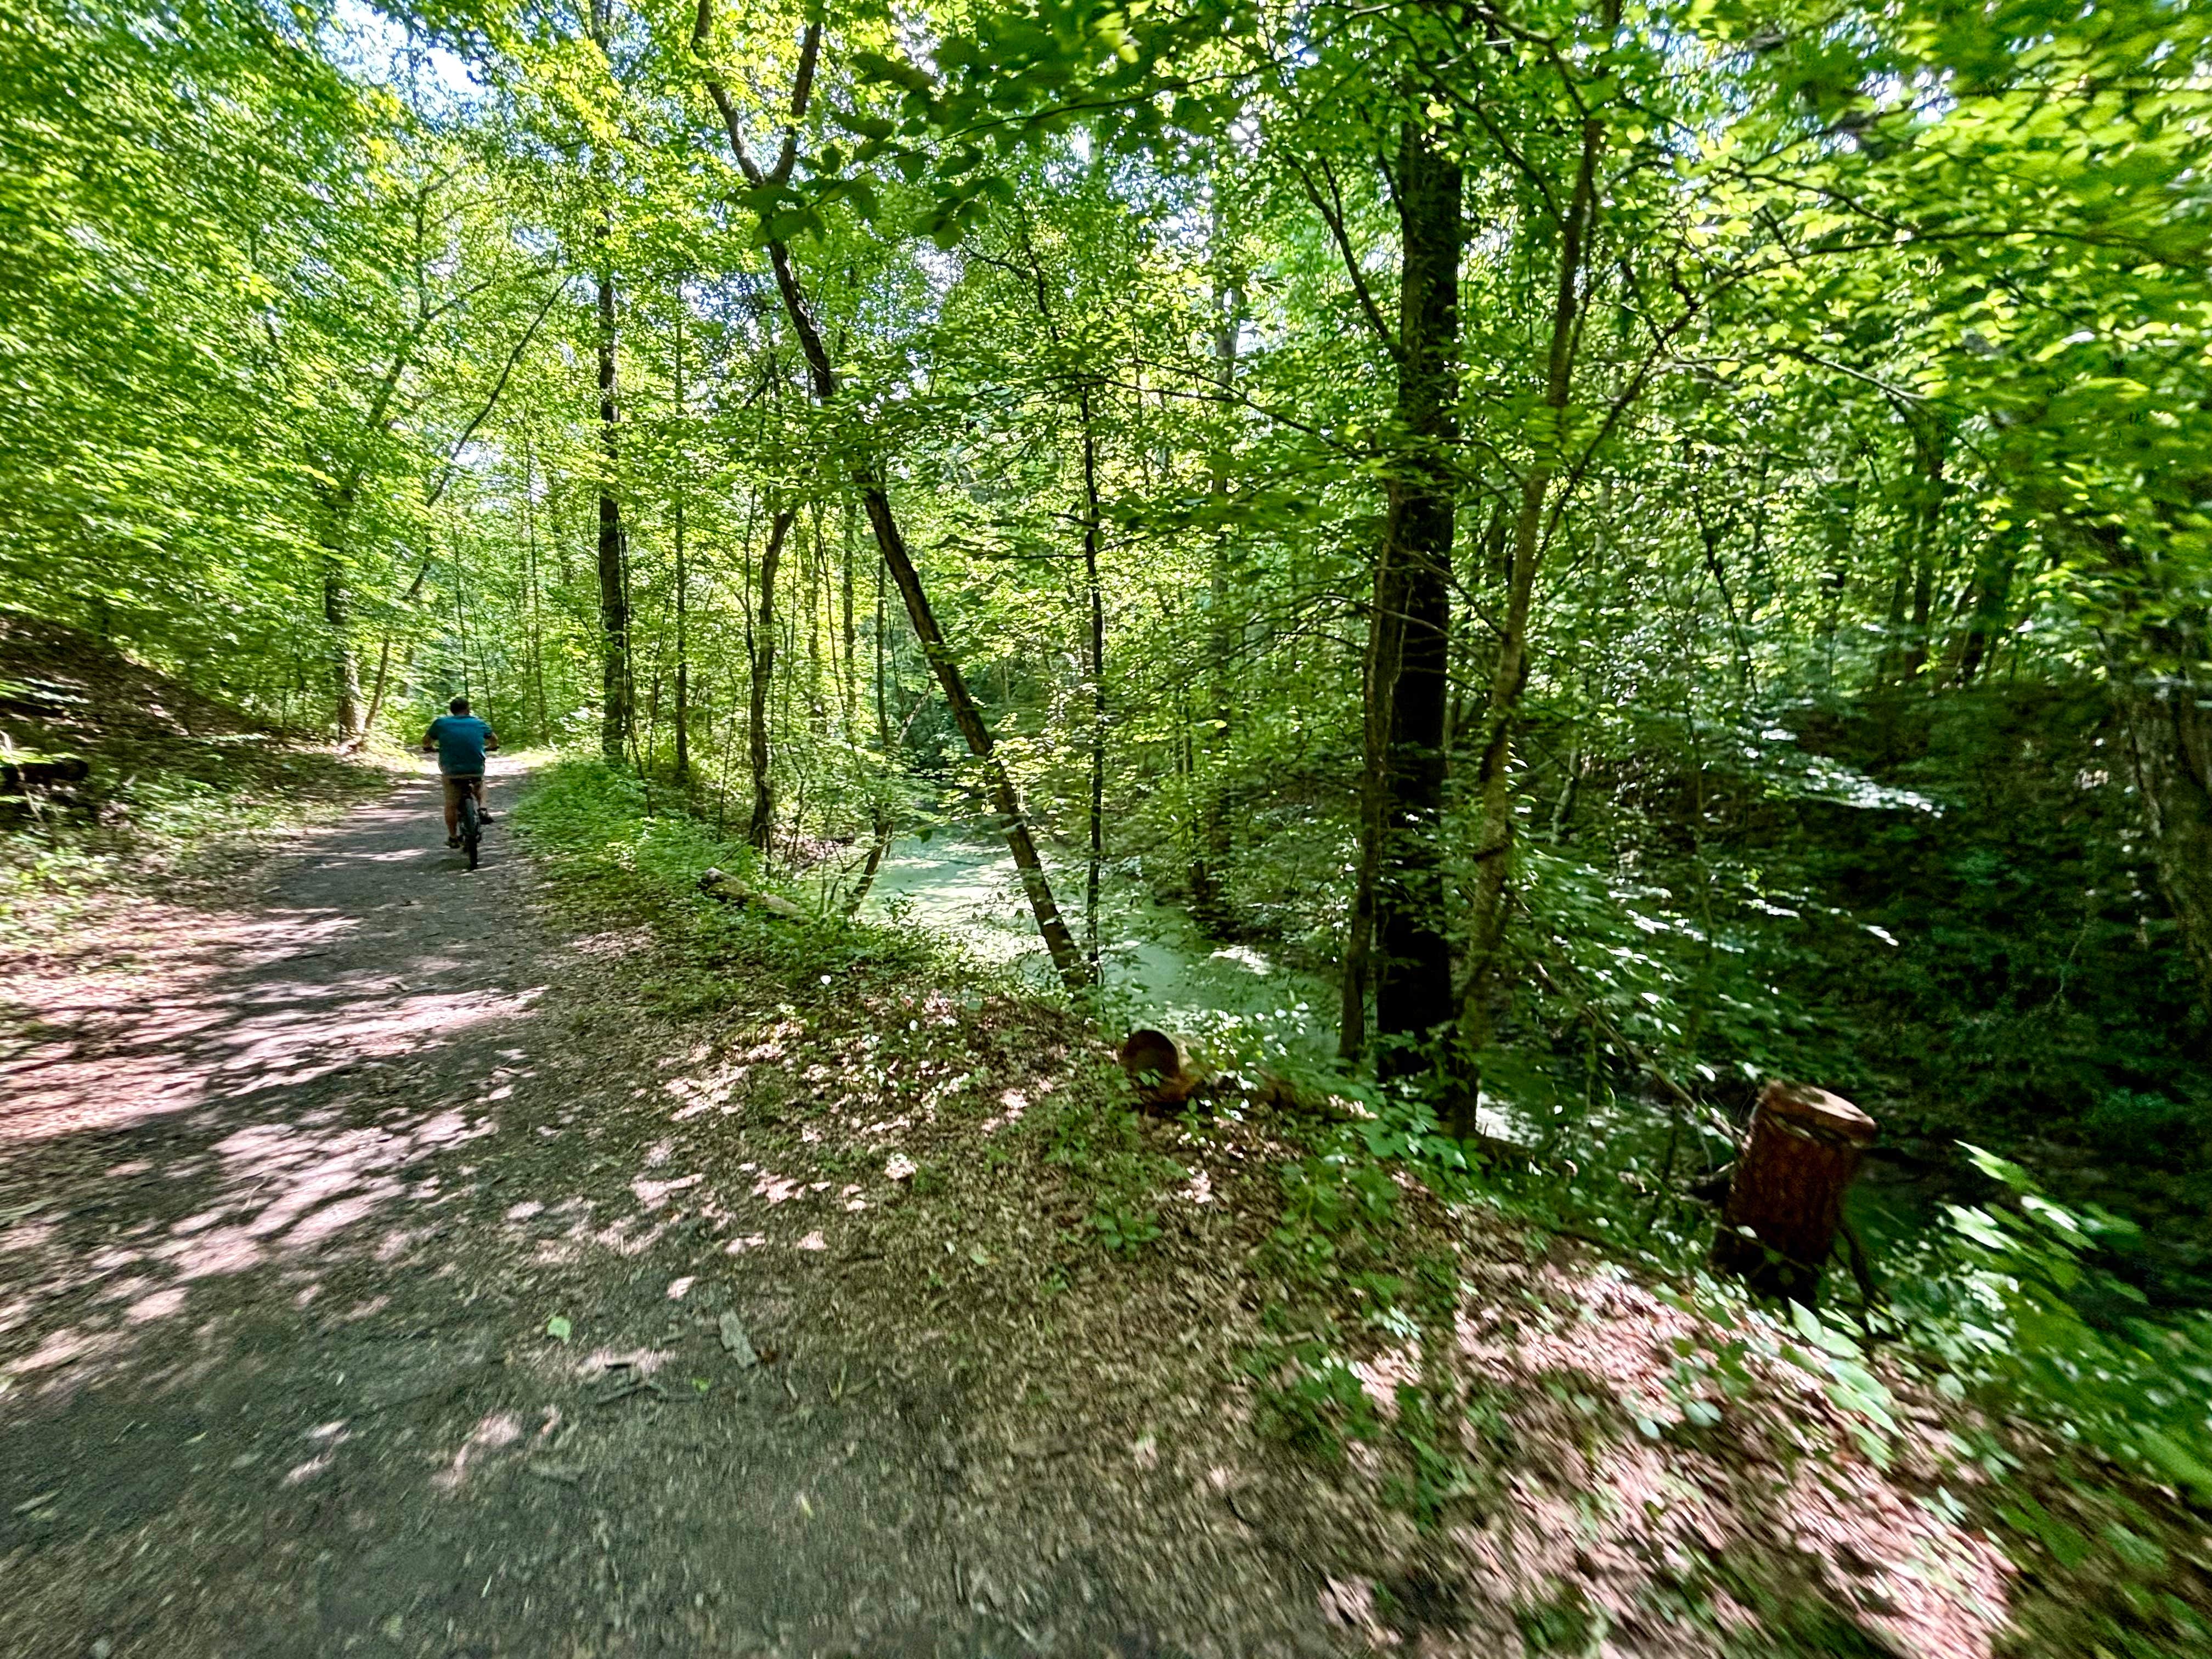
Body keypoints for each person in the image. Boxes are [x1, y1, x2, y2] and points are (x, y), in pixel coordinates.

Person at [422, 697, 499, 848]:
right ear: (468, 709)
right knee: (480, 782)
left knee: (451, 803)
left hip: (452, 769)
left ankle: (453, 838)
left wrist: (429, 748)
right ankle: (483, 808)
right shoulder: (478, 722)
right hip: (474, 767)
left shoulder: (441, 723)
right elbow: (494, 740)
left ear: (452, 711)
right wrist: (493, 747)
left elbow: (426, 741)